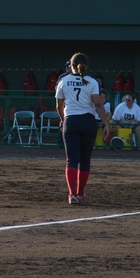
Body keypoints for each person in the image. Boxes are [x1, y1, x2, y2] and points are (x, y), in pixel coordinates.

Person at [55, 52, 112, 204]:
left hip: (71, 121)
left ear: (71, 66)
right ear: (86, 66)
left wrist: (63, 120)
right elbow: (98, 104)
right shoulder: (92, 82)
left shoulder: (64, 81)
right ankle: (80, 193)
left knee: (71, 161)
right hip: (88, 121)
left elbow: (59, 105)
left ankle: (72, 194)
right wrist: (106, 124)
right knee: (85, 161)